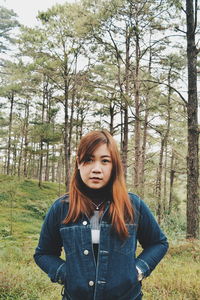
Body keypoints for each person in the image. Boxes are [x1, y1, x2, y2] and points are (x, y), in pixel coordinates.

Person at [34, 130, 168, 300]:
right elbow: (43, 253)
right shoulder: (61, 208)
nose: (96, 169)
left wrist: (137, 271)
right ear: (78, 163)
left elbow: (158, 243)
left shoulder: (133, 205)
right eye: (89, 159)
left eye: (105, 161)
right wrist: (66, 274)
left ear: (114, 166)